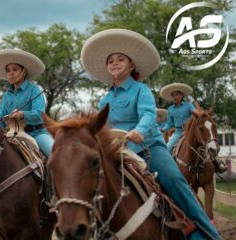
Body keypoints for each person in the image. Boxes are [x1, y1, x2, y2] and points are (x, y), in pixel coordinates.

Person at [80, 28, 220, 240]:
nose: (114, 63)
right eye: (110, 61)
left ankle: (210, 234)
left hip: (148, 147)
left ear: (132, 65)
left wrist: (140, 131)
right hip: (118, 150)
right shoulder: (104, 100)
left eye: (120, 59)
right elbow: (103, 128)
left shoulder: (141, 90)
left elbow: (147, 115)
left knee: (175, 181)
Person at [0, 49, 54, 157]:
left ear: (24, 72)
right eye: (8, 70)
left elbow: (39, 115)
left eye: (15, 69)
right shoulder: (7, 95)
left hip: (37, 134)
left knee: (56, 155)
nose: (11, 73)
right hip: (13, 134)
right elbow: (1, 119)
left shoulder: (34, 90)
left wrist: (22, 114)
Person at [160, 83, 195, 152]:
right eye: (173, 95)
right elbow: (169, 124)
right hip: (178, 133)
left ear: (182, 95)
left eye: (177, 94)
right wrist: (163, 129)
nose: (175, 97)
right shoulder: (170, 109)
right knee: (167, 149)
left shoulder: (189, 105)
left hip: (190, 131)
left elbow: (195, 115)